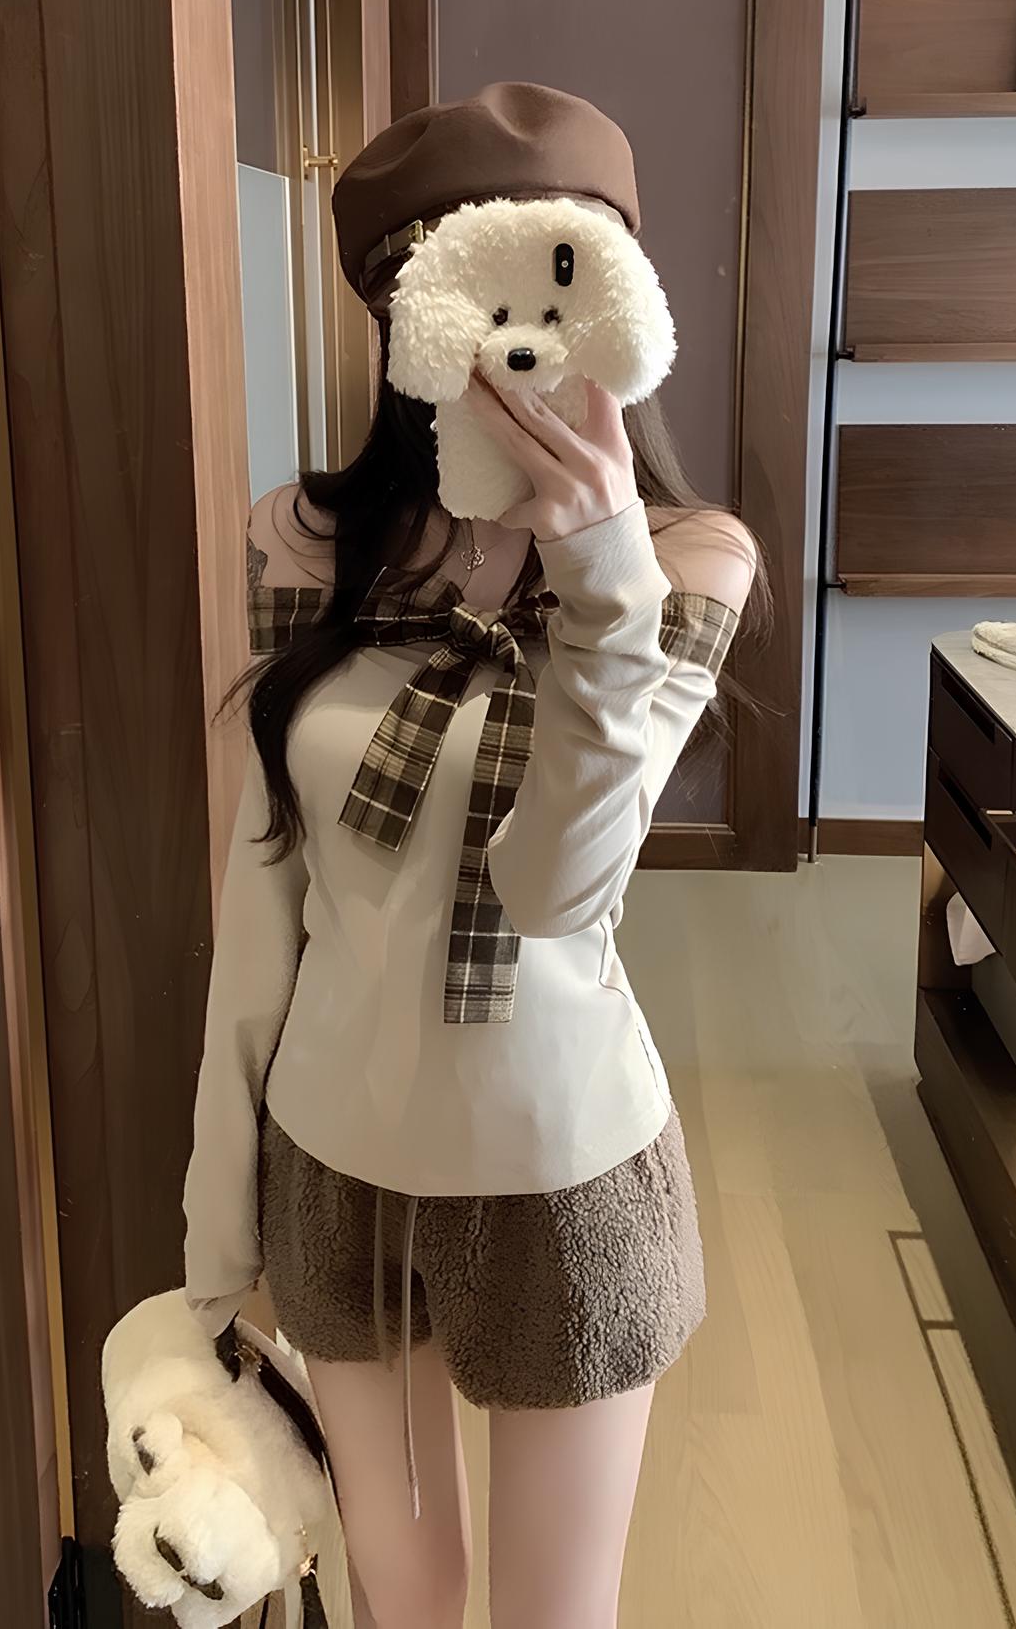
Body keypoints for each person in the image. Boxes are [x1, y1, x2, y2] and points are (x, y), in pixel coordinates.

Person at [183, 82, 759, 1629]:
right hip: (332, 1160)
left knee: (552, 1614)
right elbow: (260, 899)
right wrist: (213, 1225)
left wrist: (599, 574)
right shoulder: (299, 542)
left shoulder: (683, 560)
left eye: (557, 272)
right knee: (401, 1596)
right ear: (404, 314)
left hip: (559, 1162)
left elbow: (561, 890)